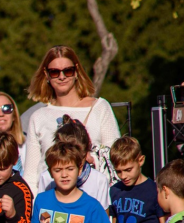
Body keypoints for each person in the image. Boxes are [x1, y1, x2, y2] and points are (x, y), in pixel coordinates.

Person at [23, 46, 120, 186]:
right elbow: (31, 177)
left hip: (93, 197)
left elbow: (115, 158)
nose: (62, 77)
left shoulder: (99, 108)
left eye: (67, 71)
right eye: (55, 72)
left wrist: (91, 158)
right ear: (46, 75)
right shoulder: (38, 117)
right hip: (50, 202)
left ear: (76, 71)